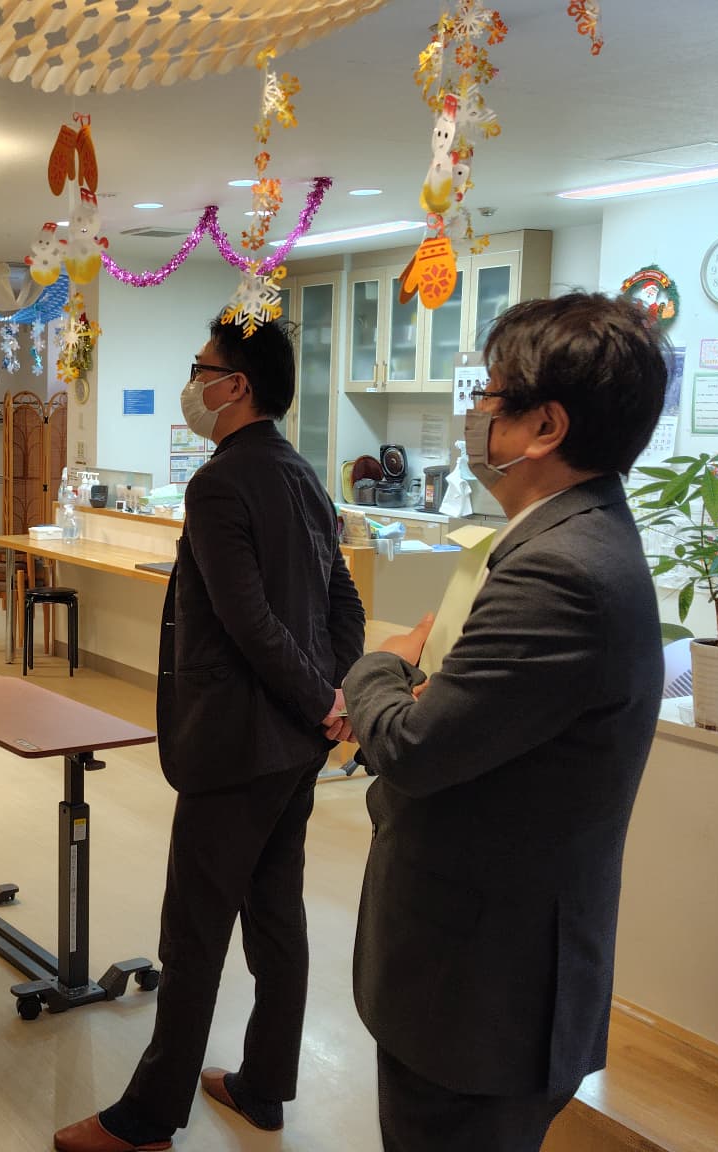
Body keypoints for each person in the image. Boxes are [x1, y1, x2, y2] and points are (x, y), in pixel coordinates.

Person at [341, 292, 669, 1152]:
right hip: (478, 966)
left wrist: (380, 665)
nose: (476, 414)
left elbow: (412, 747)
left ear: (545, 426)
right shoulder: (569, 537)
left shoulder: (560, 571)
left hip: (482, 989)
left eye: (489, 397)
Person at [56, 317, 365, 1152]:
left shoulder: (220, 483)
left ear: (238, 386)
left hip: (236, 745)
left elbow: (248, 621)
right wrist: (332, 699)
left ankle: (147, 1119)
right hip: (294, 747)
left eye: (203, 369)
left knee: (193, 934)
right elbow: (343, 603)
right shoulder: (301, 475)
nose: (194, 384)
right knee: (275, 915)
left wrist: (321, 698)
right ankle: (264, 1085)